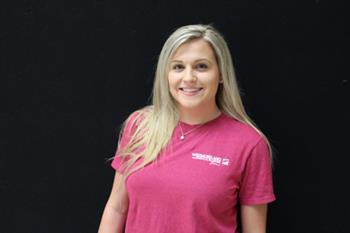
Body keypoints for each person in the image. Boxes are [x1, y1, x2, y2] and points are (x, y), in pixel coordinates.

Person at [98, 24, 275, 233]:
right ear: (166, 74)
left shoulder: (249, 144)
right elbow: (117, 208)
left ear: (220, 74)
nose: (189, 78)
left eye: (201, 66)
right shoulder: (139, 125)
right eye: (178, 67)